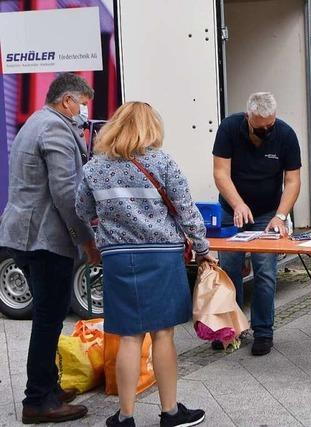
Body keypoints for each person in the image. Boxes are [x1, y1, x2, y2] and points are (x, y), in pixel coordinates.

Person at [76, 102, 211, 427]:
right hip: (162, 256)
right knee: (162, 334)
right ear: (151, 128)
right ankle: (170, 413)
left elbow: (81, 208)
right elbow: (187, 211)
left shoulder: (94, 167)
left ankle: (125, 416)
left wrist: (102, 231)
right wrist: (203, 248)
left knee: (128, 336)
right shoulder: (163, 162)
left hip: (119, 259)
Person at [0, 73, 99, 424]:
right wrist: (86, 239)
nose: (84, 112)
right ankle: (38, 401)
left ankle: (48, 387)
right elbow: (65, 192)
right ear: (67, 101)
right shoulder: (55, 129)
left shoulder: (36, 122)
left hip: (26, 235)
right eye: (82, 104)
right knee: (47, 319)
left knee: (50, 317)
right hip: (44, 239)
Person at [213, 92, 301, 356]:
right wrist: (238, 203)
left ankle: (263, 331)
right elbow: (220, 172)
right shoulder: (229, 129)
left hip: (267, 213)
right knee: (229, 271)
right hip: (232, 210)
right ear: (248, 116)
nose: (265, 130)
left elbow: (293, 181)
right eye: (260, 126)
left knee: (265, 271)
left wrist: (281, 215)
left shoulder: (285, 134)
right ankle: (232, 328)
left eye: (269, 126)